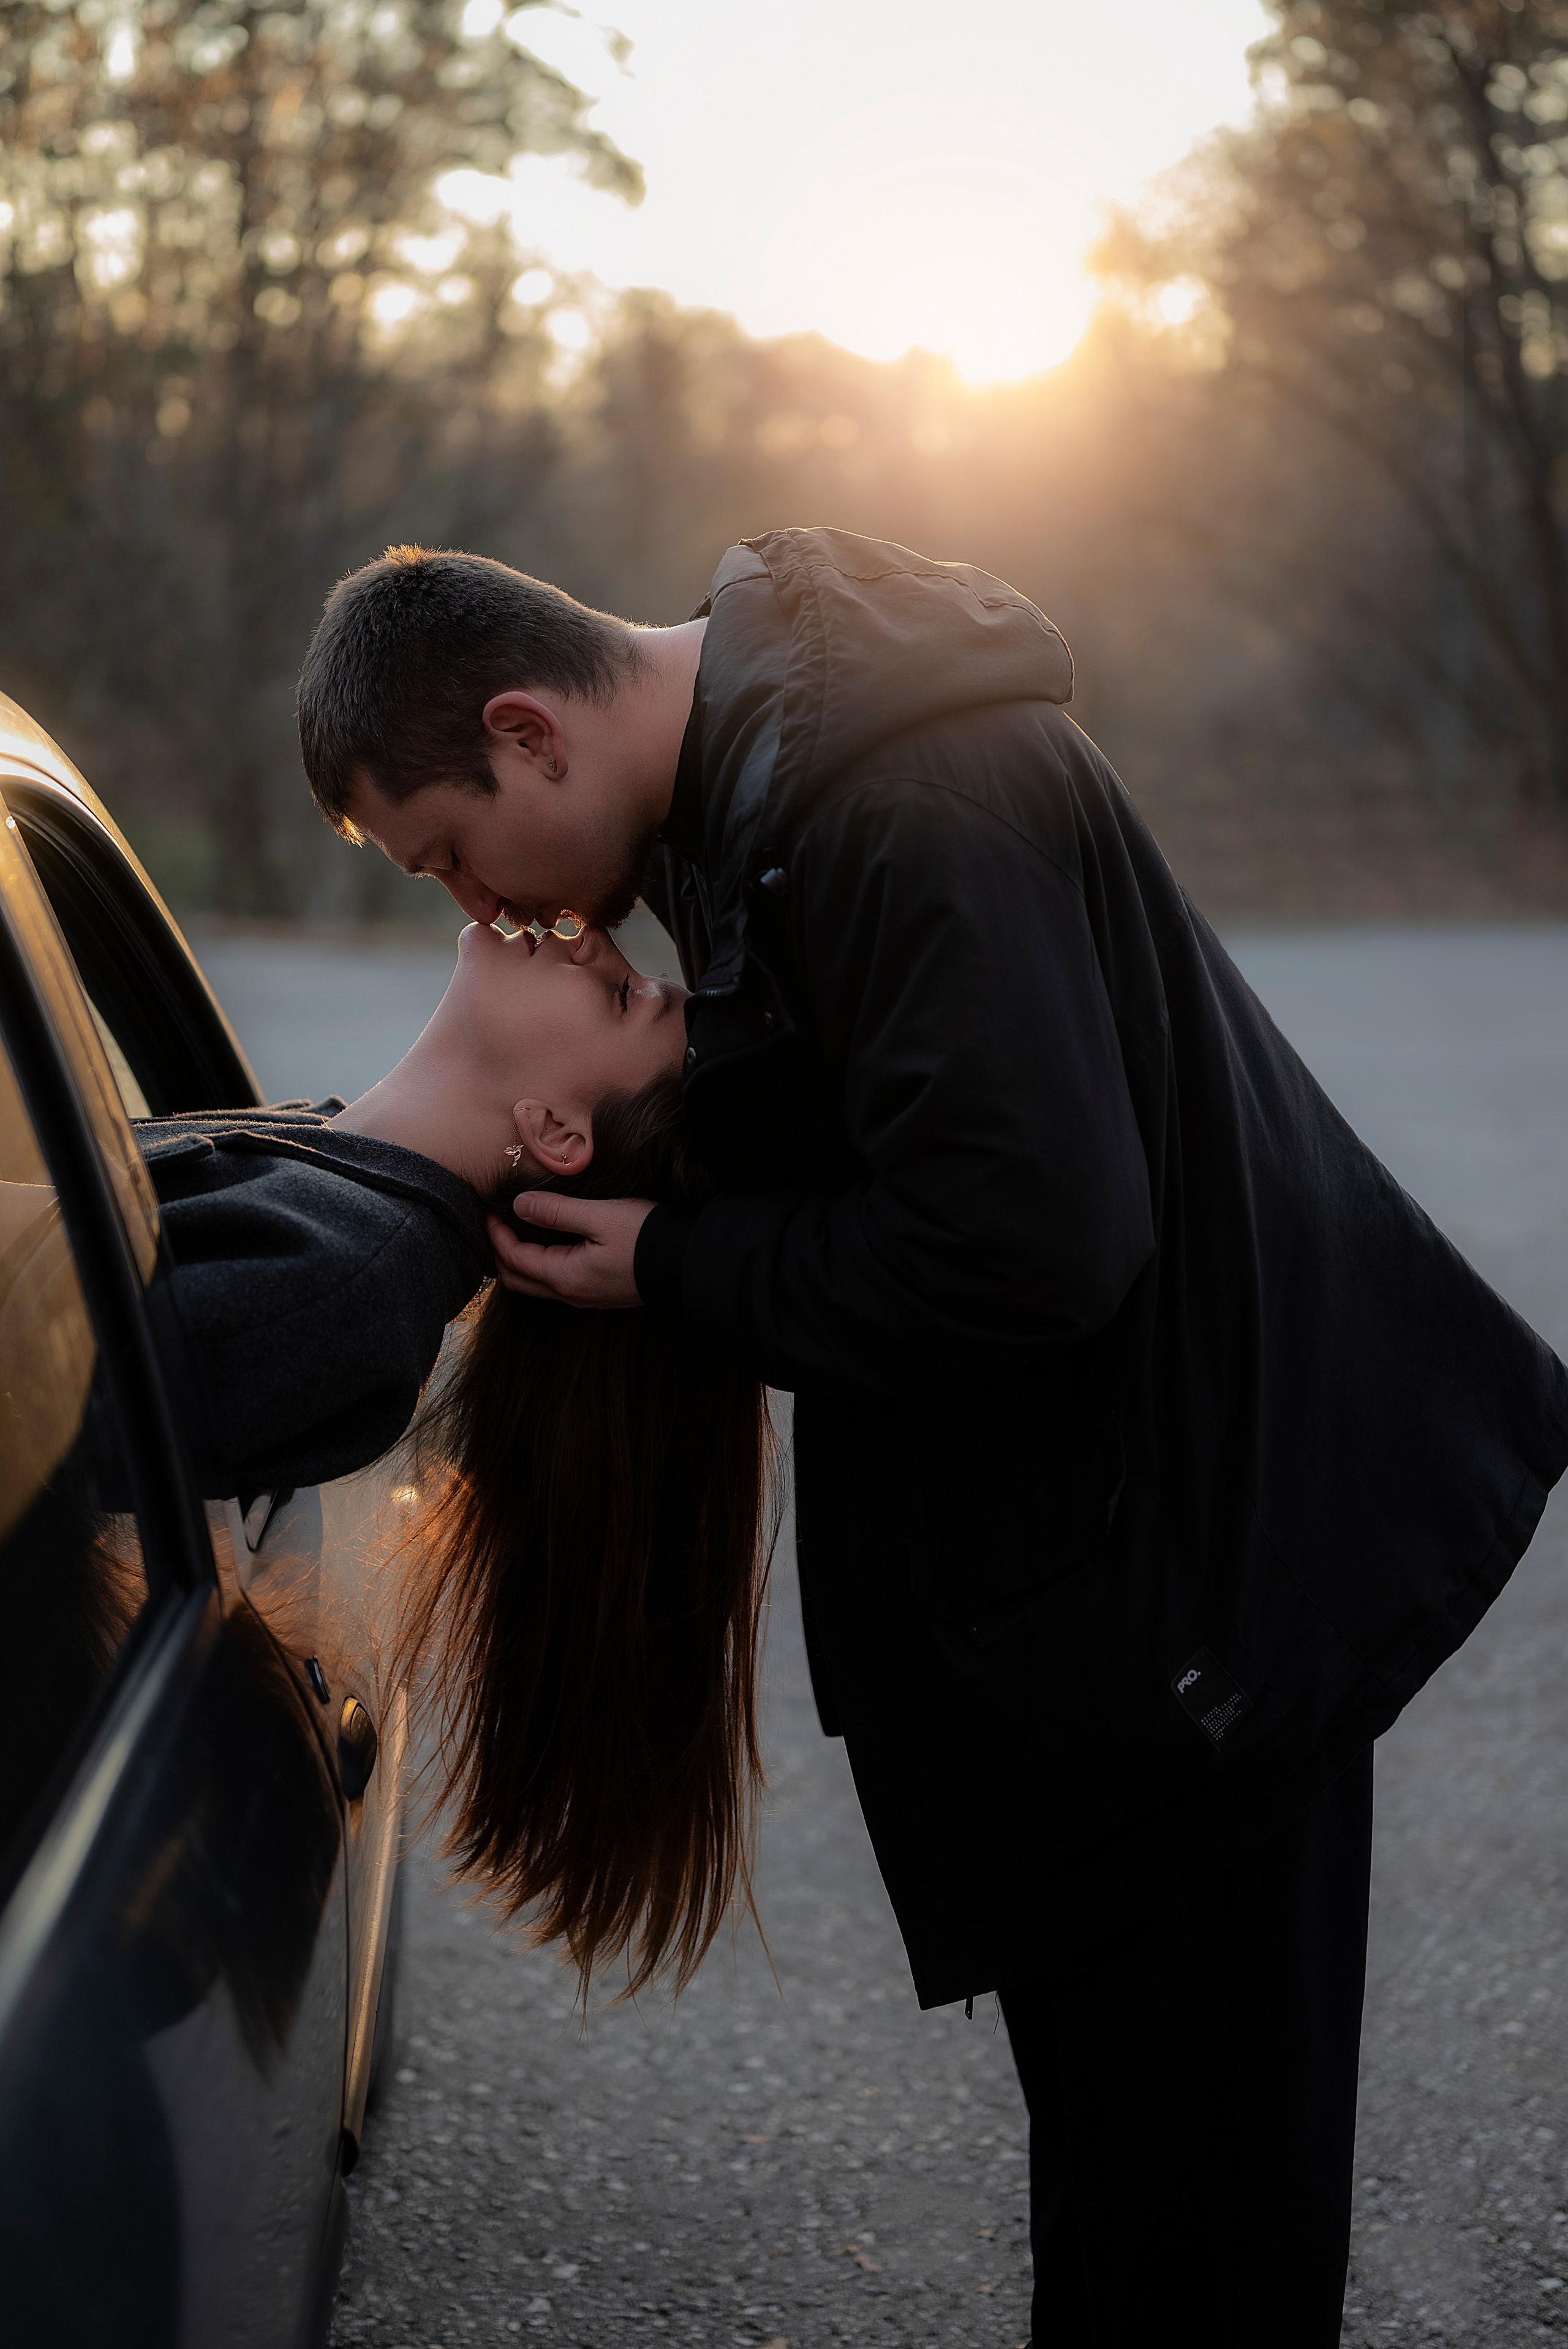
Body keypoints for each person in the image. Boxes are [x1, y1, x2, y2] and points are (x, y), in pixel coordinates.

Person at [294, 529, 1568, 2346]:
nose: (492, 919)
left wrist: (683, 1259)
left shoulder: (895, 801)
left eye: (457, 859)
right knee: (1138, 2202)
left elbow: (1036, 1234)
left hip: (1191, 1611)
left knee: (1188, 2241)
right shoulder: (779, 790)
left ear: (530, 731)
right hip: (1128, 1600)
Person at [140, 916, 774, 1996]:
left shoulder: (339, 1287)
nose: (594, 940)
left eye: (620, 995)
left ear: (557, 1132)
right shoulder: (329, 1173)